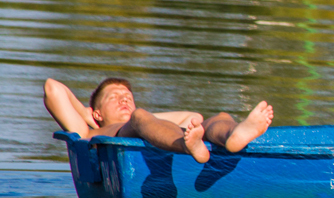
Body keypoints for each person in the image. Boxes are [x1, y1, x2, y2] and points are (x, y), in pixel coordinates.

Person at [43, 77, 273, 164]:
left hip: (158, 130)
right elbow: (52, 88)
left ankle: (234, 135)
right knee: (141, 116)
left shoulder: (143, 119)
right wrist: (85, 113)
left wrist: (143, 117)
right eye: (114, 97)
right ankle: (187, 146)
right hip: (122, 133)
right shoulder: (84, 129)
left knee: (218, 117)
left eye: (128, 98)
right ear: (97, 113)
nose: (124, 100)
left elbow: (193, 118)